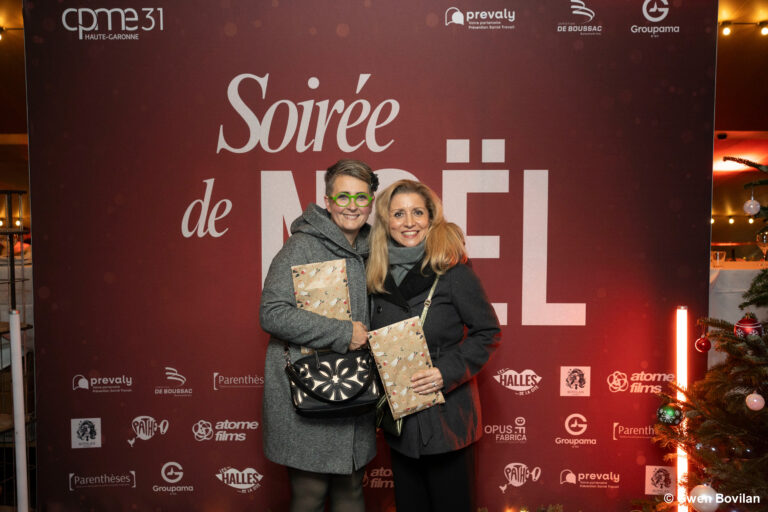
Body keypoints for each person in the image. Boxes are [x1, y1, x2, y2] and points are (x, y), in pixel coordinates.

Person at [367, 179, 501, 512]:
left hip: (447, 418)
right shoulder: (375, 273)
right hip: (401, 422)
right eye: (398, 213)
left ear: (431, 218)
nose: (408, 222)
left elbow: (488, 331)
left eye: (417, 212)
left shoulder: (453, 270)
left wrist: (445, 372)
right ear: (385, 221)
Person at [260, 159, 379, 512]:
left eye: (361, 197)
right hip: (309, 387)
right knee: (310, 494)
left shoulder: (375, 248)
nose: (352, 206)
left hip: (355, 388)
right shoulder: (301, 246)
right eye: (343, 197)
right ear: (327, 201)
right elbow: (271, 312)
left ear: (371, 203)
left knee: (351, 488)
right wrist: (342, 332)